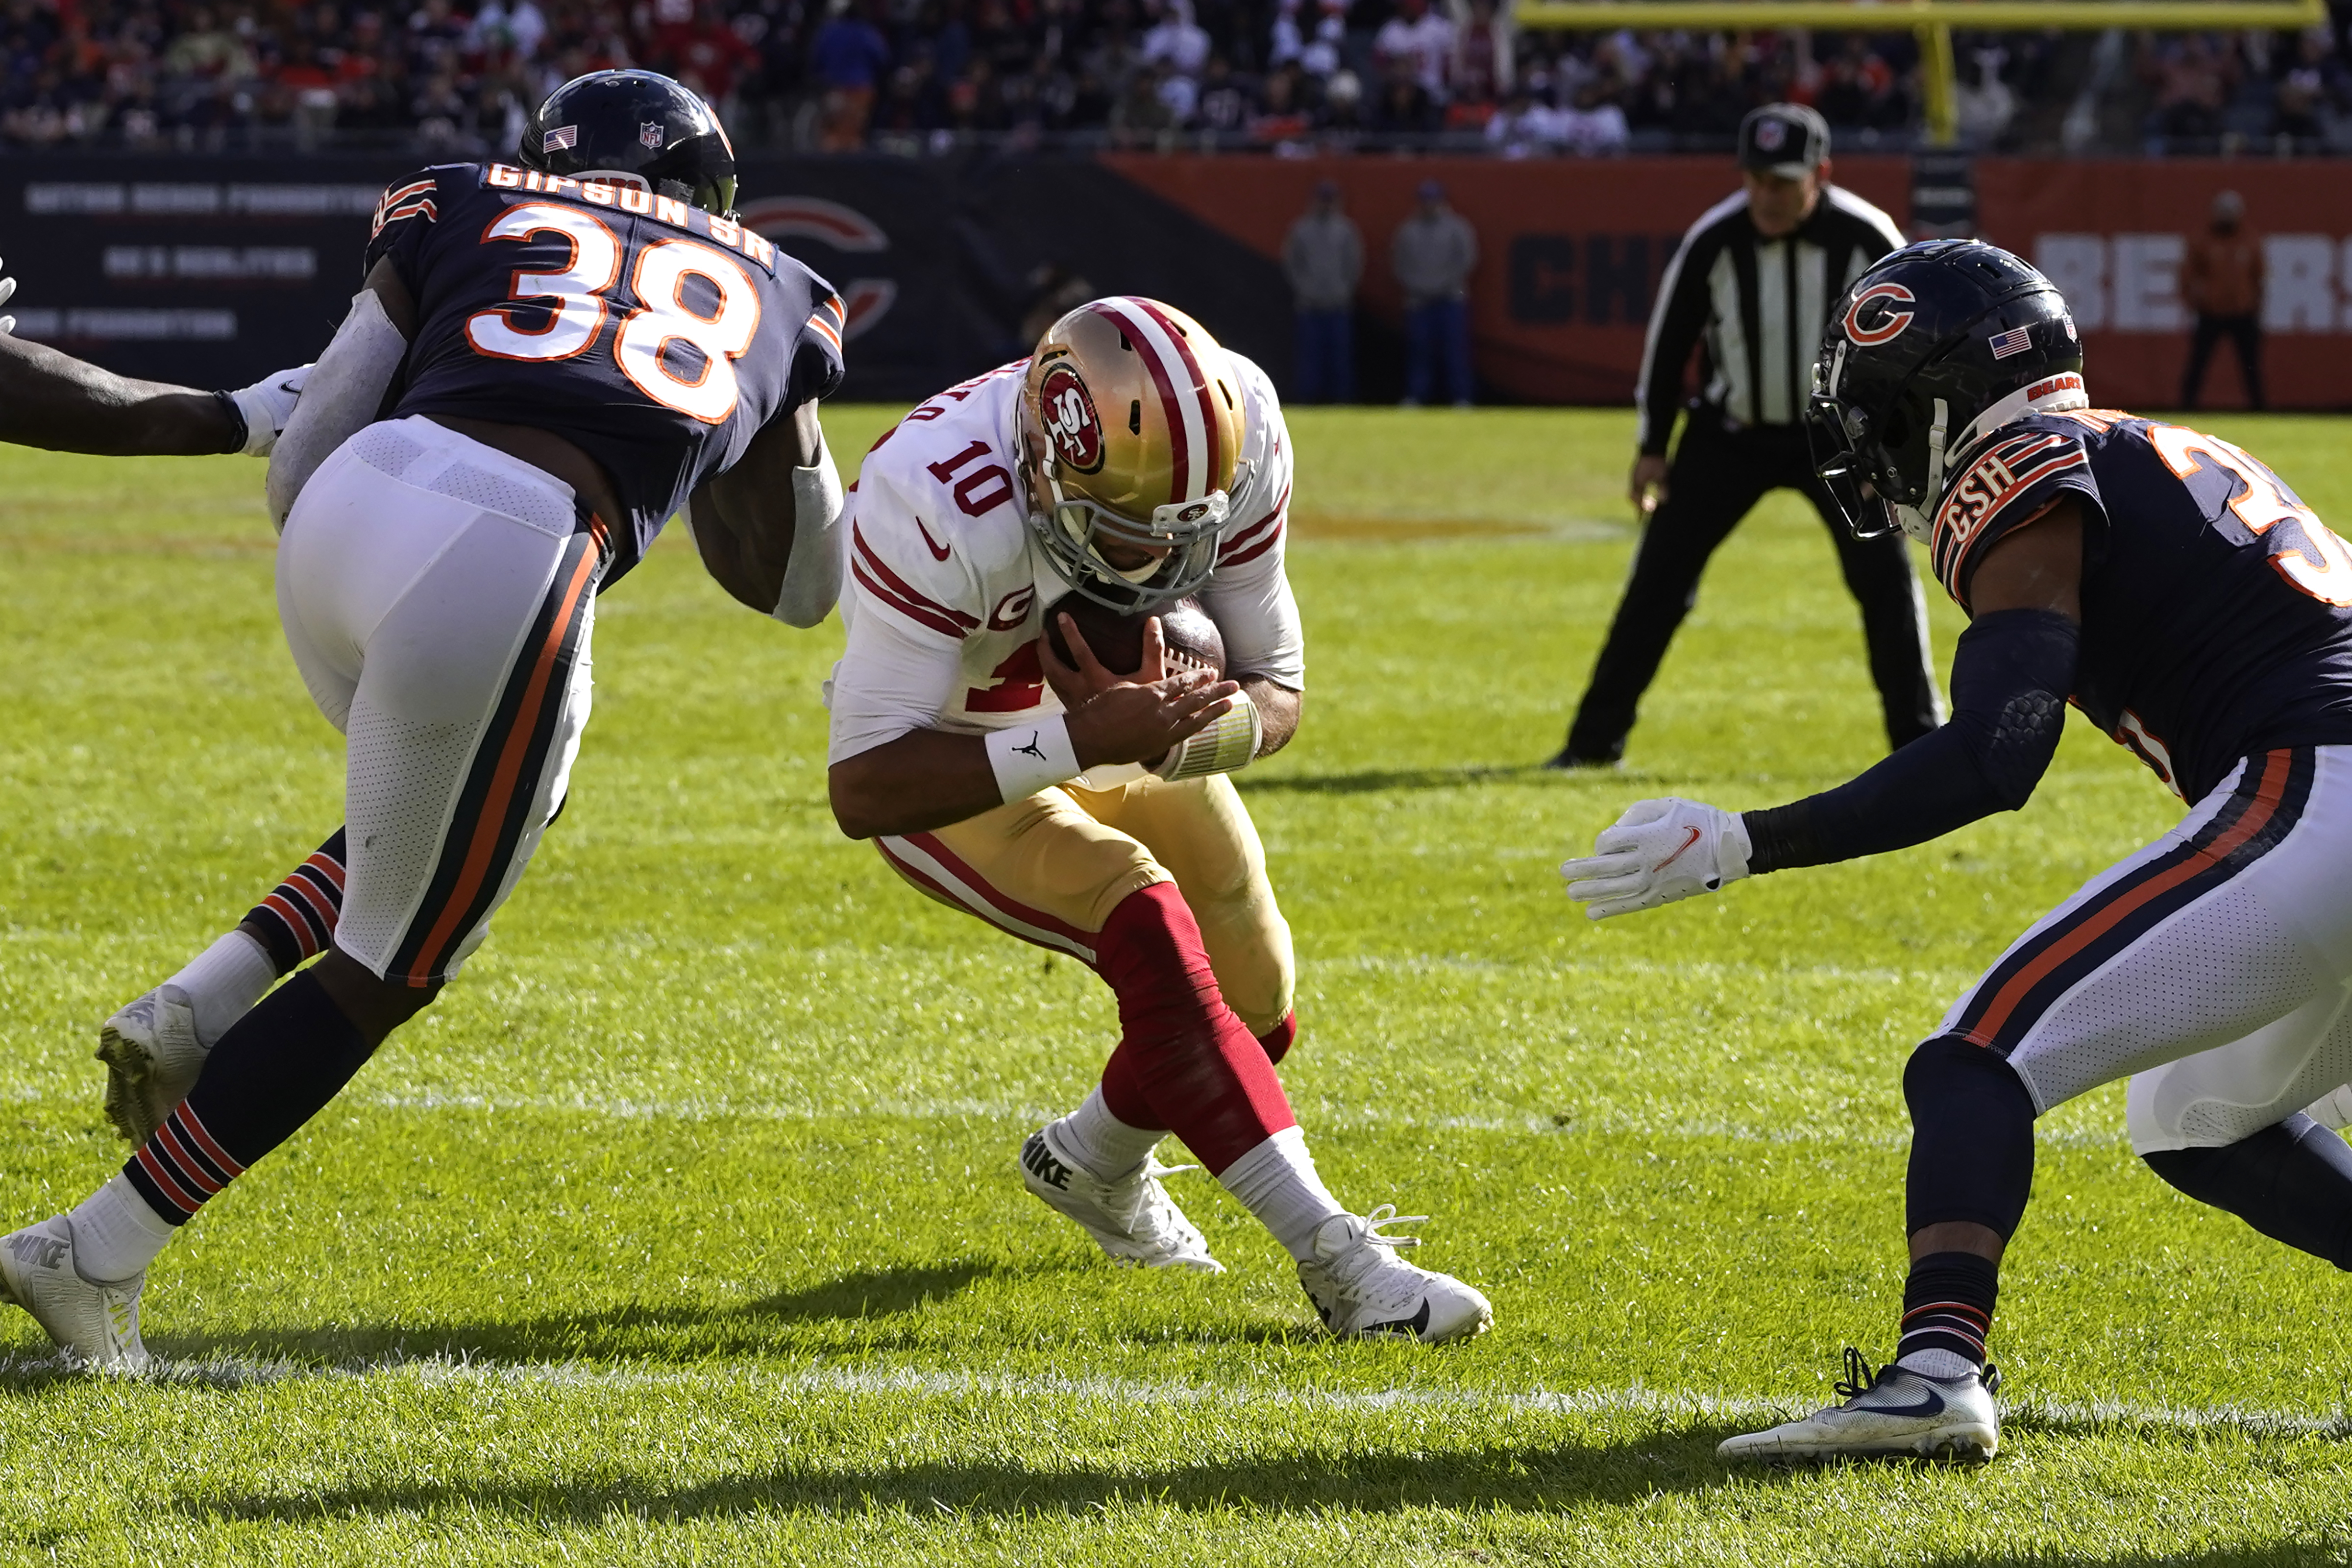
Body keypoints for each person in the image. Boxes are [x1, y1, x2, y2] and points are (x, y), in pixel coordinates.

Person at [0, 69, 850, 1372]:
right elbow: (802, 590)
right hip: (517, 551)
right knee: (393, 967)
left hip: (350, 517)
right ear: (711, 191)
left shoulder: (458, 197)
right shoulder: (782, 282)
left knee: (508, 794)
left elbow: (312, 440)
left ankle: (199, 1001)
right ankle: (95, 1253)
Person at [1564, 239, 2352, 1464]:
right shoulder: (2145, 444)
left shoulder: (2022, 465)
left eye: (1878, 406)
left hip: (2320, 791)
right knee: (2194, 1114)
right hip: (2324, 789)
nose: (1869, 438)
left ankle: (1933, 1372)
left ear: (1938, 394)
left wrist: (1741, 842)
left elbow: (1996, 751)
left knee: (1975, 1058)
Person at [823, 296, 1493, 1343]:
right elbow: (864, 786)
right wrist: (1080, 741)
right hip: (956, 755)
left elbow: (1277, 686)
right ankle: (1344, 1264)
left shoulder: (1246, 425)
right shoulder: (939, 496)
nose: (1160, 572)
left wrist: (1202, 729)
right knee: (1148, 921)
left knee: (1257, 1000)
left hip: (1111, 726)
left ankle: (1091, 1159)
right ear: (1049, 469)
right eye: (1129, 536)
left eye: (1185, 537)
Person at [1550, 102, 1940, 770]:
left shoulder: (1867, 236)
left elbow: (1914, 355)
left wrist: (1892, 453)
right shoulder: (1716, 237)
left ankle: (1921, 747)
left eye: (1781, 182)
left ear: (1820, 173)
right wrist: (1652, 446)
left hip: (1840, 444)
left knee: (1883, 583)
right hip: (1729, 435)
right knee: (1658, 583)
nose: (1765, 196)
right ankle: (1592, 746)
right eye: (1755, 179)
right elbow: (1669, 345)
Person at [1390, 179, 1475, 407]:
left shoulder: (1457, 228)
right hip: (1418, 300)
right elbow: (1400, 264)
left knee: (1455, 351)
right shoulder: (1408, 231)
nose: (1429, 205)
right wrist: (1419, 286)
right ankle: (1417, 395)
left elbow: (1466, 260)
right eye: (1425, 201)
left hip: (1450, 298)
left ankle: (1461, 397)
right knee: (1419, 352)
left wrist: (1443, 285)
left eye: (1433, 200)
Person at [2181, 189, 2266, 413]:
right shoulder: (2203, 239)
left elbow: (2259, 276)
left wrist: (2256, 307)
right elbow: (2188, 274)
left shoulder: (2249, 240)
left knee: (2251, 366)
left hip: (2243, 312)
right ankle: (2186, 406)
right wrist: (2195, 301)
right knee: (2198, 364)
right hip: (2212, 312)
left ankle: (2259, 408)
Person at [1282, 178, 1361, 404]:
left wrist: (1344, 290)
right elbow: (1292, 263)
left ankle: (1342, 400)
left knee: (1340, 358)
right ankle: (1308, 400)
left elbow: (1354, 263)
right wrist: (1304, 289)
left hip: (1338, 304)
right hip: (1309, 305)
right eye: (1323, 200)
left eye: (1330, 200)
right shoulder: (1301, 230)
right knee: (1310, 358)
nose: (1326, 205)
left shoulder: (1346, 231)